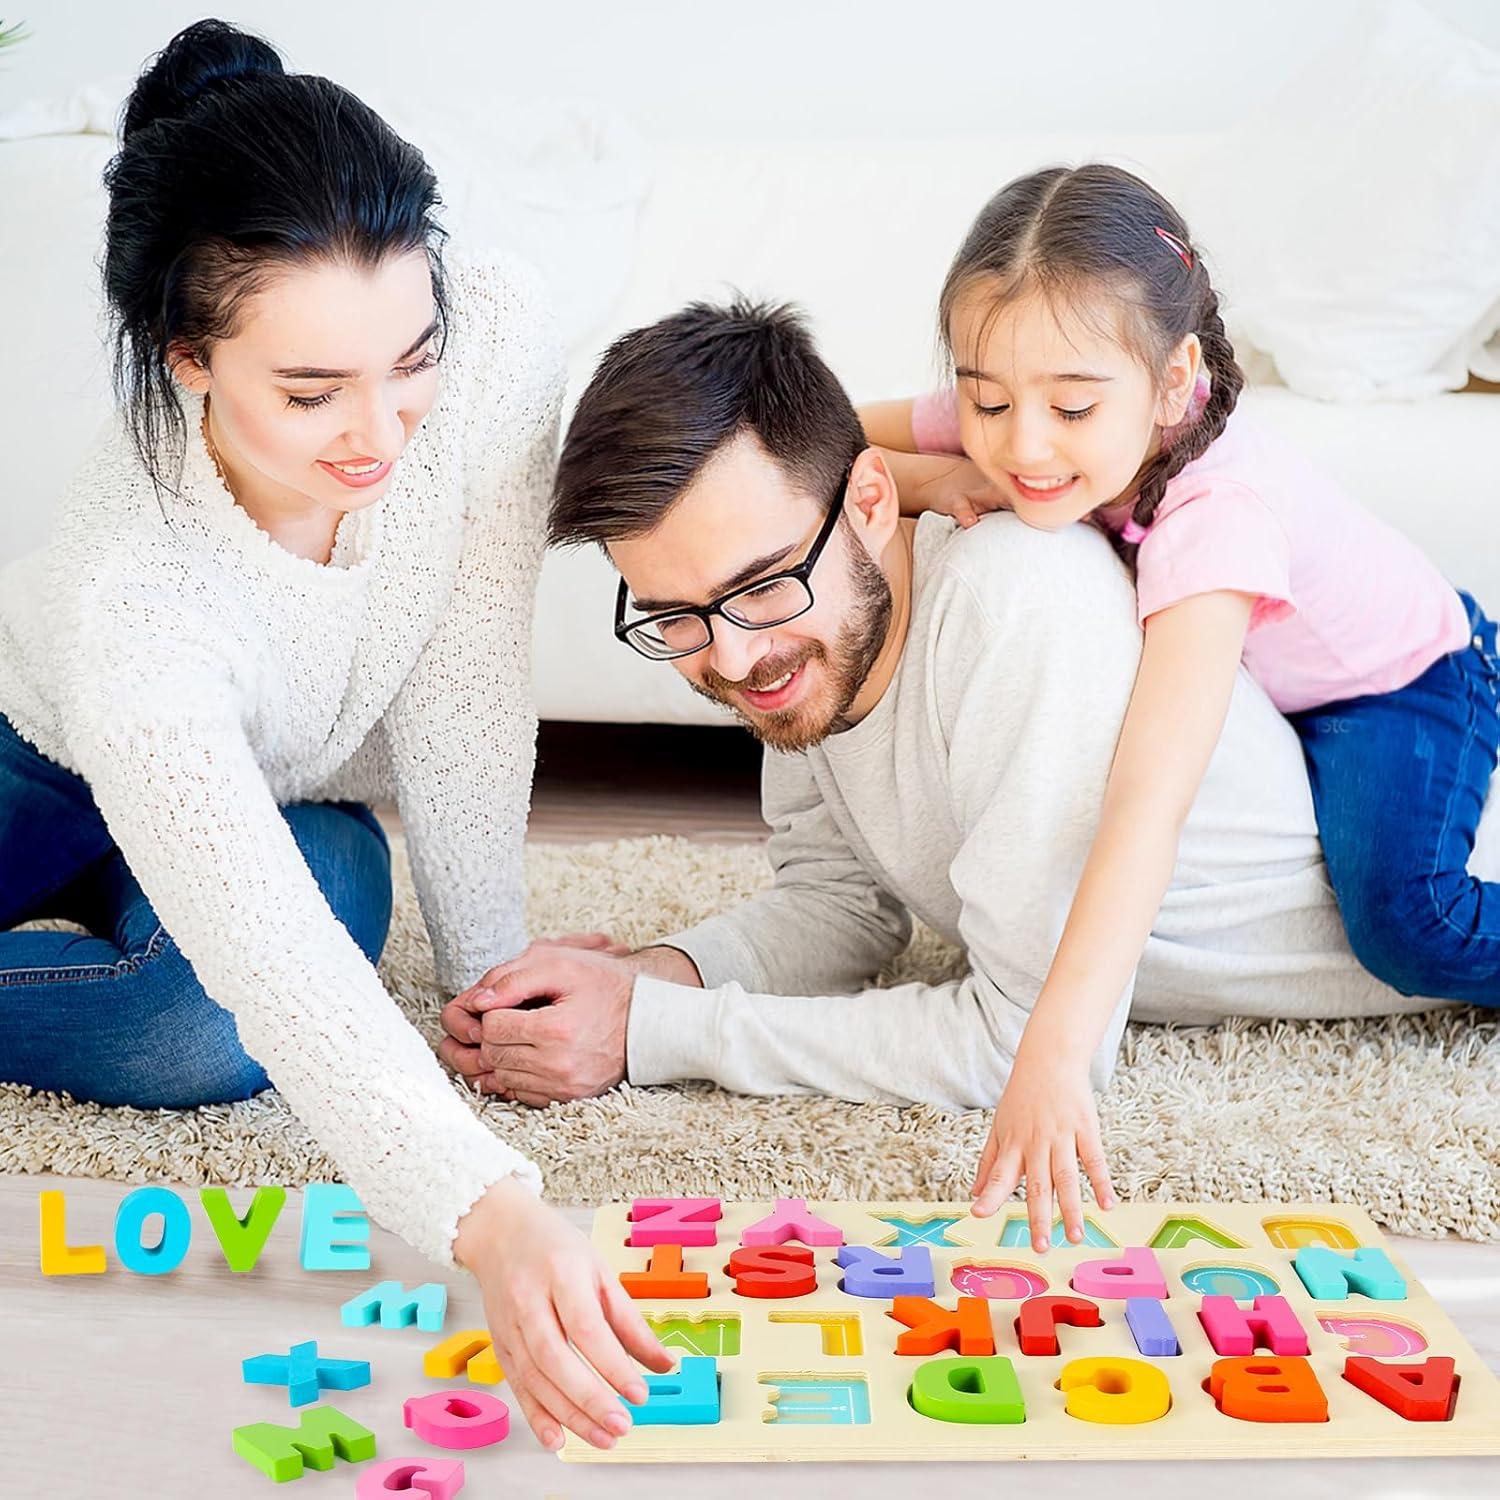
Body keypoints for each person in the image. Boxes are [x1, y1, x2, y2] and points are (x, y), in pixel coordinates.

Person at [439, 295, 1498, 1261]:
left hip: (1457, 831)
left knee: (1422, 914)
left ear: (866, 501)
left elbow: (1030, 1047)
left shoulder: (1014, 604)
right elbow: (842, 904)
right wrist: (650, 977)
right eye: (672, 615)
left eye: (757, 589)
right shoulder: (789, 631)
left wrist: (652, 1037)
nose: (723, 659)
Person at [0, 20, 667, 1452]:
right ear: (187, 357)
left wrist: (489, 984)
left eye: (407, 360)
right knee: (256, 981)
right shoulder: (139, 597)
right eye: (311, 393)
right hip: (39, 770)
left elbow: (467, 677)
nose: (384, 430)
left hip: (274, 792)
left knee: (203, 1020)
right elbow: (257, 941)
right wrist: (491, 1216)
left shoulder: (490, 336)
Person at [859, 163, 1499, 1220]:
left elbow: (1145, 805)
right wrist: (934, 474)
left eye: (1070, 407)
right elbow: (816, 435)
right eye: (984, 400)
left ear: (1174, 382)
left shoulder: (1217, 521)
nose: (1022, 446)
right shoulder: (1035, 394)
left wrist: (1054, 1048)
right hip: (1296, 665)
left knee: (1406, 924)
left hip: (1408, 678)